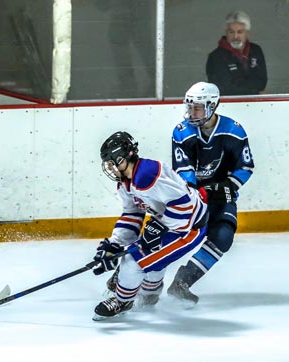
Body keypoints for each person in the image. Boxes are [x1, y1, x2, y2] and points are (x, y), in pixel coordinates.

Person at [91, 131, 209, 321]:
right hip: (172, 223)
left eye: (112, 163)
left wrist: (159, 227)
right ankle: (149, 293)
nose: (111, 168)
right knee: (149, 254)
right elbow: (132, 214)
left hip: (189, 228)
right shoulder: (126, 183)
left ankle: (123, 300)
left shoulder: (146, 176)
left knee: (132, 260)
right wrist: (115, 244)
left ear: (123, 158)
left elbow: (184, 204)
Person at [167, 81, 254, 306]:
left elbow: (245, 167)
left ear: (212, 106)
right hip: (190, 194)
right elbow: (183, 169)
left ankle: (182, 282)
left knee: (223, 236)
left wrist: (228, 186)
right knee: (170, 234)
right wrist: (197, 193)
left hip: (222, 191)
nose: (191, 112)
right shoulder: (182, 132)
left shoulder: (234, 130)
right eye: (189, 107)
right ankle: (133, 275)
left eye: (197, 107)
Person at [206, 10, 267, 95]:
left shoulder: (256, 50)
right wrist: (255, 92)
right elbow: (224, 89)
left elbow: (261, 82)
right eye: (231, 32)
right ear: (226, 33)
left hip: (255, 105)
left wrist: (238, 83)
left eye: (240, 32)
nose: (235, 36)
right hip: (228, 105)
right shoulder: (215, 57)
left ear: (247, 33)